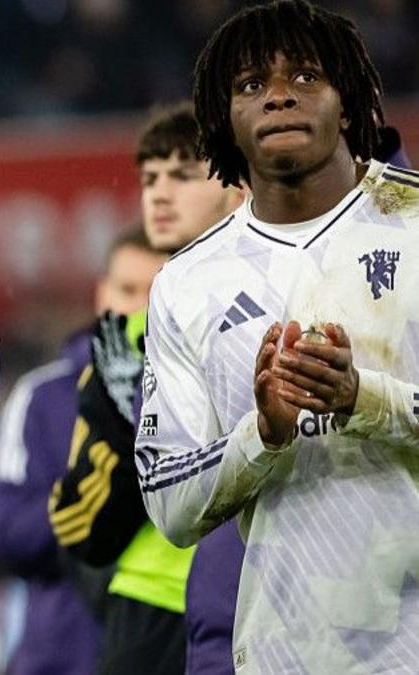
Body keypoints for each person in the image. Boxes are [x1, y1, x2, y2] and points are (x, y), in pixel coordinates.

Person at [137, 1, 419, 671]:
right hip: (281, 655)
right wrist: (261, 434)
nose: (279, 97)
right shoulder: (186, 284)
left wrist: (362, 398)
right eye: (250, 85)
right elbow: (170, 503)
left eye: (305, 76)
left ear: (347, 104)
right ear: (225, 121)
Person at [49, 103, 243, 674]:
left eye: (183, 174)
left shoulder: (284, 301)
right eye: (150, 178)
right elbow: (80, 526)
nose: (159, 194)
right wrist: (120, 415)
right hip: (152, 597)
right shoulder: (123, 340)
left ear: (236, 186)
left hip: (262, 591)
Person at [0, 226, 164, 674]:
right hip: (60, 658)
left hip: (159, 646)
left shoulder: (198, 398)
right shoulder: (42, 396)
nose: (139, 306)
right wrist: (100, 503)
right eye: (127, 289)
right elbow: (10, 533)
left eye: (156, 290)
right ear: (101, 293)